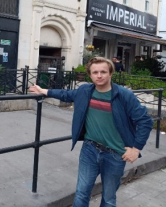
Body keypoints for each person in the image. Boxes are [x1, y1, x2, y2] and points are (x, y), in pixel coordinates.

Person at [29, 57, 153, 207]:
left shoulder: (123, 95)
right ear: (90, 75)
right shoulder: (85, 91)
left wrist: (136, 148)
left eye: (103, 72)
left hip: (116, 154)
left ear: (110, 74)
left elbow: (145, 121)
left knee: (108, 198)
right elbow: (66, 94)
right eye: (95, 72)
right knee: (81, 193)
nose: (99, 75)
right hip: (90, 149)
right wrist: (44, 91)